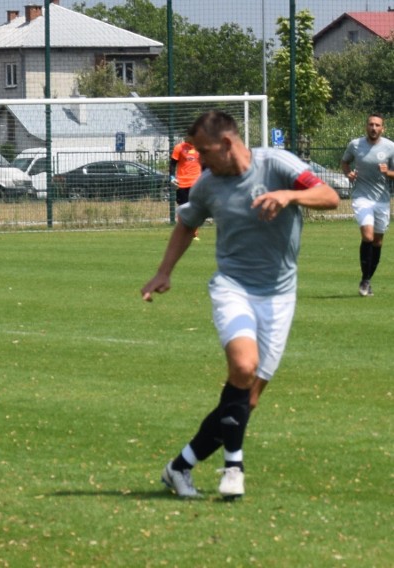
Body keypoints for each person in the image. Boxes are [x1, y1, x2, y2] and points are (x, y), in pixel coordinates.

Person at [141, 111, 339, 500]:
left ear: (228, 143)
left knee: (245, 399)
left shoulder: (277, 165)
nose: (197, 159)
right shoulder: (207, 185)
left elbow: (330, 197)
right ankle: (234, 467)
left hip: (280, 295)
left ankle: (179, 468)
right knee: (243, 365)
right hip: (233, 288)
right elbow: (186, 224)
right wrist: (164, 272)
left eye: (203, 150)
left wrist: (289, 195)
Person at [340, 113, 394, 297]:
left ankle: (367, 279)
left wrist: (388, 173)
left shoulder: (390, 147)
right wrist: (348, 174)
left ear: (382, 128)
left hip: (382, 200)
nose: (374, 128)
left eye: (377, 125)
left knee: (378, 242)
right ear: (366, 126)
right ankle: (365, 280)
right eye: (371, 124)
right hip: (361, 197)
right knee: (368, 235)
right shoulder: (355, 145)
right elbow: (345, 162)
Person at [170, 135, 203, 240]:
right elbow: (172, 163)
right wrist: (171, 177)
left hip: (196, 183)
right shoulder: (179, 148)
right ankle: (183, 232)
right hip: (182, 183)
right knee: (183, 208)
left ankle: (194, 233)